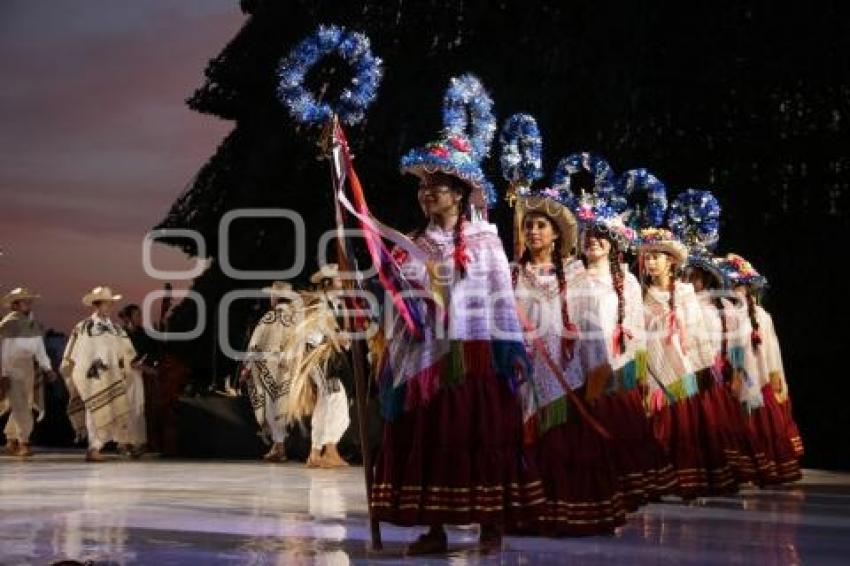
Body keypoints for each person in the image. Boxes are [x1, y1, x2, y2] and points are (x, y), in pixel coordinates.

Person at [369, 129, 543, 555]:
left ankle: (489, 521)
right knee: (432, 441)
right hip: (431, 360)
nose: (427, 194)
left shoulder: (487, 241)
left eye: (437, 187)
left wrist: (508, 351)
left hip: (477, 357)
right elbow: (401, 299)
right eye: (423, 187)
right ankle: (435, 527)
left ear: (460, 194)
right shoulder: (415, 244)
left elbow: (500, 299)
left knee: (480, 439)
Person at [512, 191, 626, 535]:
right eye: (528, 225)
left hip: (568, 374)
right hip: (524, 375)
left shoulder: (578, 278)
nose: (533, 231)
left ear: (557, 233)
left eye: (541, 225)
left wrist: (596, 375)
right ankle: (527, 515)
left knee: (564, 445)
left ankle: (568, 514)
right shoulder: (512, 275)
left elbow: (591, 331)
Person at [569, 199, 677, 509]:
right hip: (577, 366)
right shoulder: (571, 274)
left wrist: (637, 373)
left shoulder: (627, 282)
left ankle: (616, 489)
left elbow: (636, 330)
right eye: (587, 232)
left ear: (614, 241)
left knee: (616, 431)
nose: (592, 239)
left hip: (615, 368)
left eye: (599, 233)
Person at [639, 229, 737, 498]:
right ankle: (658, 482)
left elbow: (694, 332)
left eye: (657, 257)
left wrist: (702, 368)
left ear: (671, 261)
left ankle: (683, 480)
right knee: (655, 427)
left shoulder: (683, 291)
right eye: (647, 257)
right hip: (653, 365)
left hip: (681, 367)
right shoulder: (640, 293)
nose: (650, 262)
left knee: (681, 427)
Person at [718, 253, 802, 484]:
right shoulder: (748, 314)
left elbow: (744, 350)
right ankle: (762, 467)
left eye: (734, 285)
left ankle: (758, 467)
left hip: (751, 377)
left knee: (753, 420)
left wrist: (737, 373)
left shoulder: (750, 316)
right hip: (757, 376)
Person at [60, 286, 145, 462]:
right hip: (93, 377)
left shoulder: (116, 330)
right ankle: (93, 448)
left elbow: (126, 352)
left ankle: (113, 444)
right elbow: (78, 352)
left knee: (112, 410)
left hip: (113, 376)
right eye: (106, 303)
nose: (109, 307)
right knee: (94, 409)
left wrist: (130, 365)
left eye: (110, 303)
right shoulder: (84, 327)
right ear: (97, 305)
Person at [239, 281, 298, 462]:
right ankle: (278, 446)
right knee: (283, 406)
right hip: (291, 368)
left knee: (272, 408)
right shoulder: (296, 319)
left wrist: (247, 368)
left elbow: (255, 345)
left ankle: (279, 447)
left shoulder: (269, 318)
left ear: (275, 298)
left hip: (269, 369)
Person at [0, 287, 57, 457]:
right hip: (12, 367)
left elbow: (39, 350)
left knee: (23, 404)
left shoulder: (33, 324)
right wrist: (3, 374)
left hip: (28, 367)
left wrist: (48, 368)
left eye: (29, 301)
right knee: (21, 406)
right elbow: (4, 351)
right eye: (25, 301)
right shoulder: (8, 324)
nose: (29, 304)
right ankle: (24, 441)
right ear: (16, 305)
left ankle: (11, 439)